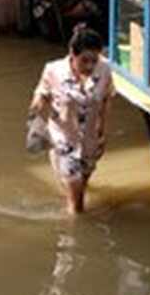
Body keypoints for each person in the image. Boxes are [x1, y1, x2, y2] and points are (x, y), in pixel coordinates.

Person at [30, 26, 114, 215]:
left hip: (90, 139)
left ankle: (72, 191)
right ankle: (75, 229)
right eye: (84, 60)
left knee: (82, 184)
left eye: (94, 60)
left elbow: (107, 99)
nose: (90, 66)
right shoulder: (53, 70)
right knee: (77, 206)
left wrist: (103, 131)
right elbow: (41, 93)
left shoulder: (105, 69)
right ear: (72, 54)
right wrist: (35, 113)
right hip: (64, 139)